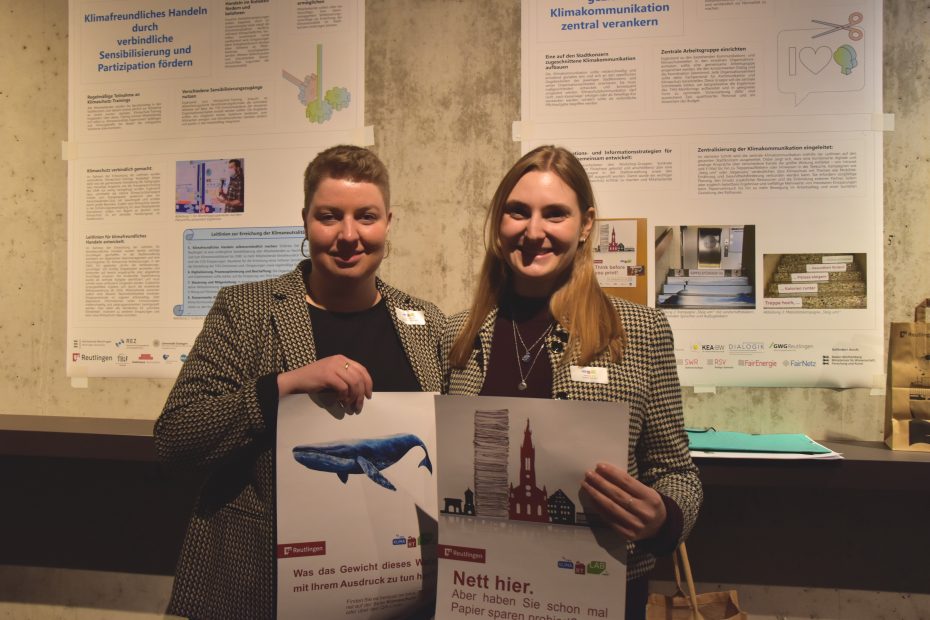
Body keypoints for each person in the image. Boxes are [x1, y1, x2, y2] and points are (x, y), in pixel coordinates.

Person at [155, 145, 445, 619]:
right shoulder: (246, 311)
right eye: (329, 216)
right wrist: (281, 386)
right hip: (264, 590)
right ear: (305, 220)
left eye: (366, 217)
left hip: (398, 591)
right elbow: (175, 439)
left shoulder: (425, 323)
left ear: (388, 222)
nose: (348, 235)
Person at [442, 145, 701, 620]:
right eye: (518, 212)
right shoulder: (457, 336)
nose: (533, 231)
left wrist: (664, 516)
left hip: (597, 593)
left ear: (585, 225)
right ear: (500, 223)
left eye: (555, 214)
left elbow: (677, 471)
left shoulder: (639, 332)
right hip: (479, 592)